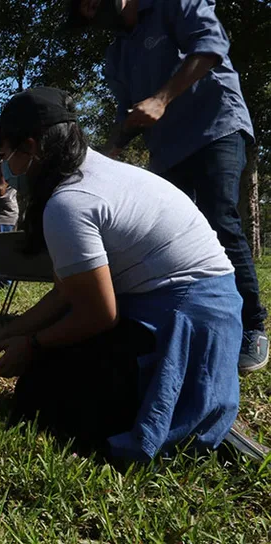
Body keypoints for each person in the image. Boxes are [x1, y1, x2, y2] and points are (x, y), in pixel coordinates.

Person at [0, 87, 242, 461]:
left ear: (30, 147)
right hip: (202, 309)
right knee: (50, 370)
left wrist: (31, 346)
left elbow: (98, 314)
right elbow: (68, 293)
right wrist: (9, 331)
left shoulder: (69, 202)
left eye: (5, 156)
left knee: (43, 394)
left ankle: (182, 411)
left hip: (186, 319)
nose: (4, 170)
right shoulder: (100, 171)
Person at [68, 0, 267, 374]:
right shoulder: (118, 53)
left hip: (215, 127)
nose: (92, 16)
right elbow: (128, 111)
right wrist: (113, 149)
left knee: (218, 220)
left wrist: (162, 99)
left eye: (92, 5)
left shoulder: (173, 4)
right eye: (86, 15)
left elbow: (211, 46)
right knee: (159, 233)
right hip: (166, 148)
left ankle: (252, 325)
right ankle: (170, 319)